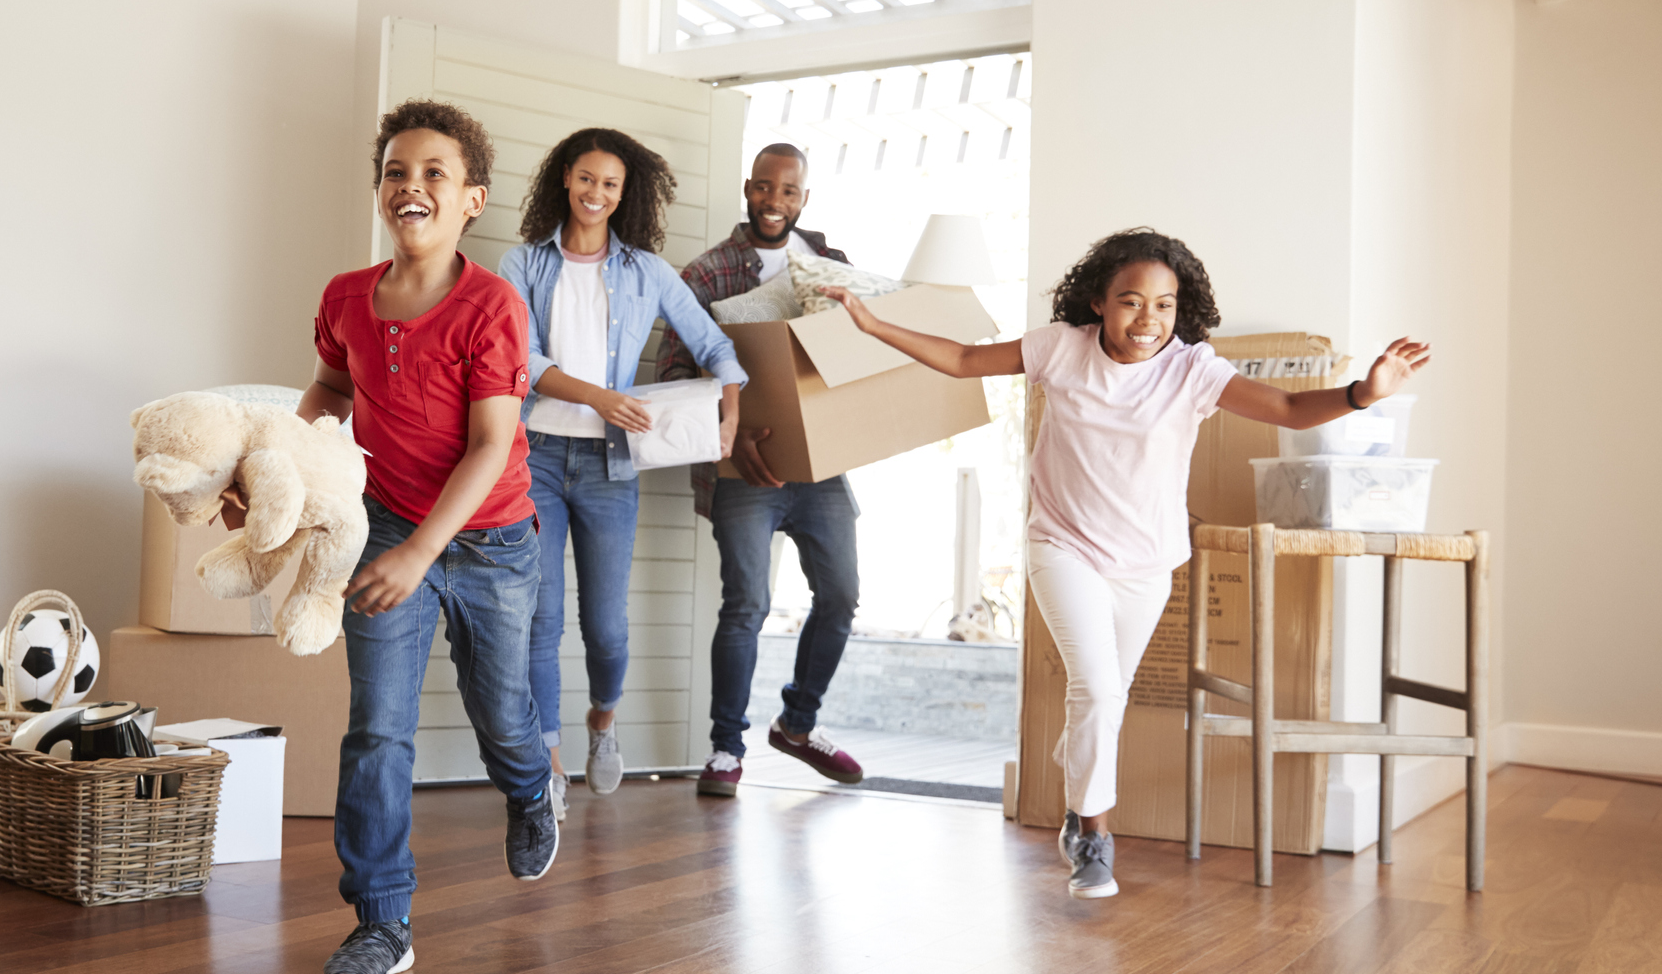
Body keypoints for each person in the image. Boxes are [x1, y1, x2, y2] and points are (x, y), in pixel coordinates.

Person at [820, 227, 1431, 898]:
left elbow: (1285, 408)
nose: (1148, 320)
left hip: (1147, 561)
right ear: (1098, 302)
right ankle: (1092, 837)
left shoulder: (1192, 369)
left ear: (1181, 308)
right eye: (1131, 301)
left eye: (1164, 305)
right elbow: (965, 360)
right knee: (1098, 691)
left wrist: (1361, 395)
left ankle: (1077, 785)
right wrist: (873, 324)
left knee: (1104, 701)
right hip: (1063, 545)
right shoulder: (1060, 349)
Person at [288, 99, 557, 974]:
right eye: (397, 172)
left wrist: (423, 557)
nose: (412, 186)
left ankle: (529, 789)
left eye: (434, 173)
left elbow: (489, 446)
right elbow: (327, 392)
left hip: (489, 542)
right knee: (376, 733)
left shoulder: (492, 307)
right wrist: (285, 474)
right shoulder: (343, 299)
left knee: (502, 719)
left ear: (471, 199)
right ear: (379, 192)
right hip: (388, 528)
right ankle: (381, 921)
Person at [500, 130, 749, 818]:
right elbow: (520, 360)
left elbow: (714, 346)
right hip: (538, 460)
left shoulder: (647, 271)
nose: (595, 194)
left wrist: (727, 415)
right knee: (540, 620)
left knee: (605, 626)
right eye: (585, 179)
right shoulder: (522, 263)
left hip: (611, 464)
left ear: (622, 194)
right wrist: (601, 397)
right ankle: (546, 766)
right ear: (564, 180)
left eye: (609, 185)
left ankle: (602, 726)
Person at [654, 143, 869, 798]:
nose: (774, 202)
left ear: (804, 198)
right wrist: (728, 438)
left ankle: (797, 726)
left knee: (840, 596)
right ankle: (725, 749)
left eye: (789, 192)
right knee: (746, 603)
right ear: (747, 189)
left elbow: (854, 359)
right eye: (764, 189)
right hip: (741, 469)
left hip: (820, 466)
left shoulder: (833, 268)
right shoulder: (707, 273)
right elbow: (671, 370)